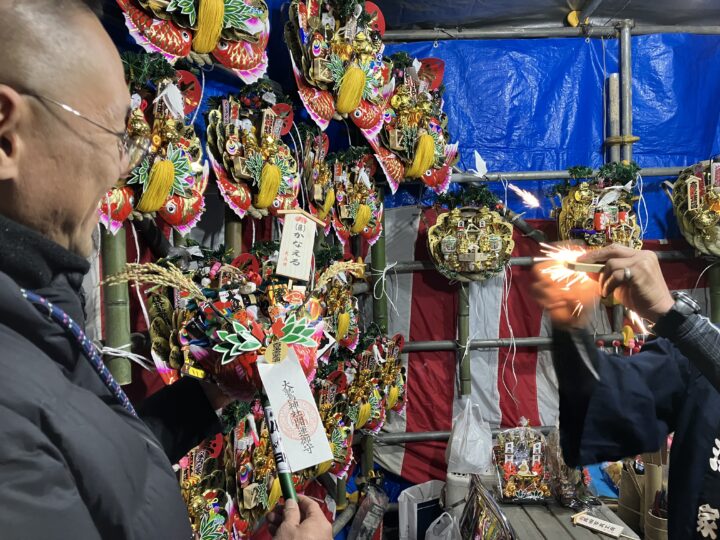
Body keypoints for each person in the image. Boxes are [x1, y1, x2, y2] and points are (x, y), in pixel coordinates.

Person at [0, 1, 331, 538]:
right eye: (113, 134)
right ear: (6, 136)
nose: (126, 164)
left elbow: (94, 463)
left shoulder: (33, 315)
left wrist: (205, 399)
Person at [532, 244, 720, 539]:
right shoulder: (691, 358)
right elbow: (611, 408)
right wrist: (570, 321)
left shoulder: (697, 341)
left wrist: (678, 318)